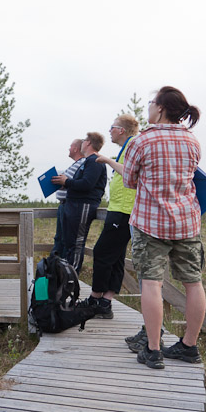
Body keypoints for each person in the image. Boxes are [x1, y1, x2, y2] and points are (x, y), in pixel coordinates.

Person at [123, 86, 205, 370]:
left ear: (160, 108)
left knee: (151, 283)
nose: (148, 106)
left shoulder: (141, 141)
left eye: (151, 102)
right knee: (193, 283)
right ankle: (189, 346)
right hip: (187, 223)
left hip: (151, 223)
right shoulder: (192, 141)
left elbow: (129, 181)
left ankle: (153, 349)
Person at [78, 115, 139, 319]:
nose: (110, 131)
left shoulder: (132, 145)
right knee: (117, 256)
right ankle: (106, 301)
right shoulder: (127, 147)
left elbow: (130, 173)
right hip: (121, 208)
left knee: (102, 251)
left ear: (121, 130)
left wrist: (106, 160)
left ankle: (95, 298)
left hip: (124, 209)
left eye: (112, 127)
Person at [51, 132, 106, 274]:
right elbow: (79, 183)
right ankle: (64, 277)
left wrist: (66, 182)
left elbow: (87, 184)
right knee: (69, 243)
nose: (82, 143)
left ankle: (71, 277)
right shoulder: (87, 161)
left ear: (88, 143)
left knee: (76, 244)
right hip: (74, 206)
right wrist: (67, 183)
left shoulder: (95, 161)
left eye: (84, 140)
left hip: (83, 206)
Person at [51, 139, 85, 256]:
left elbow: (71, 182)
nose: (69, 149)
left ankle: (63, 265)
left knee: (65, 240)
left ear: (75, 149)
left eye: (70, 146)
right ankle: (55, 264)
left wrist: (61, 181)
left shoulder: (82, 163)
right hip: (64, 205)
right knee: (59, 238)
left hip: (69, 205)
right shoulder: (76, 164)